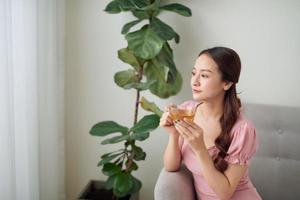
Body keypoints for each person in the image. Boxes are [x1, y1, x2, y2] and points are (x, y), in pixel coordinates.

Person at [159, 47, 262, 200]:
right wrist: (174, 135)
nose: (195, 81)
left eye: (205, 75)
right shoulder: (187, 111)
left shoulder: (242, 129)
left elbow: (224, 193)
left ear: (226, 83)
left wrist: (200, 149)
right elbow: (171, 167)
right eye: (194, 73)